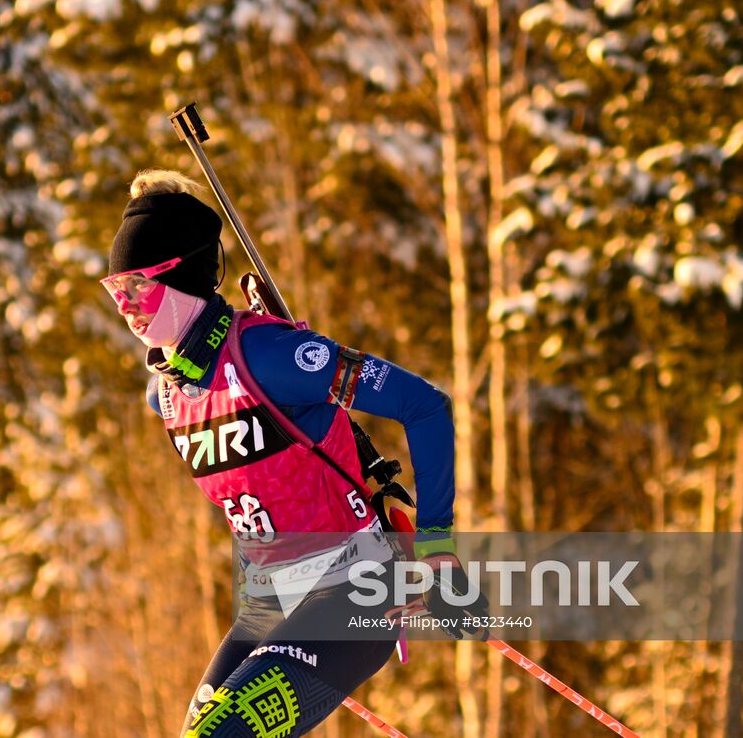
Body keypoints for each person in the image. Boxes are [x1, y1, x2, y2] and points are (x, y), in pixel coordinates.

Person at [103, 169, 486, 738]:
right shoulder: (167, 391)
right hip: (268, 604)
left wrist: (436, 547)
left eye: (139, 285)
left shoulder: (274, 355)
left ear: (182, 276)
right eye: (115, 290)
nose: (126, 305)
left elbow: (426, 406)